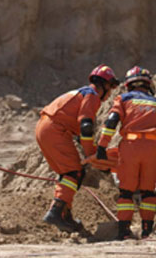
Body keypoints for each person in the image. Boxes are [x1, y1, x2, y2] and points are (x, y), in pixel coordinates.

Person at [36, 64, 119, 233]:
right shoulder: (93, 95)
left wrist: (92, 155)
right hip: (55, 129)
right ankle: (56, 212)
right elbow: (86, 126)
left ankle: (64, 216)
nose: (110, 93)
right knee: (73, 173)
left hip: (44, 127)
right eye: (110, 87)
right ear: (104, 85)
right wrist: (93, 156)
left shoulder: (81, 92)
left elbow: (83, 135)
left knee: (69, 175)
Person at [96, 66, 156, 239]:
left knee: (126, 191)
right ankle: (147, 231)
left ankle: (124, 232)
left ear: (128, 85)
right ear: (148, 84)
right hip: (152, 148)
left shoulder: (123, 98)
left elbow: (112, 122)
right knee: (148, 192)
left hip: (131, 146)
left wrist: (102, 146)